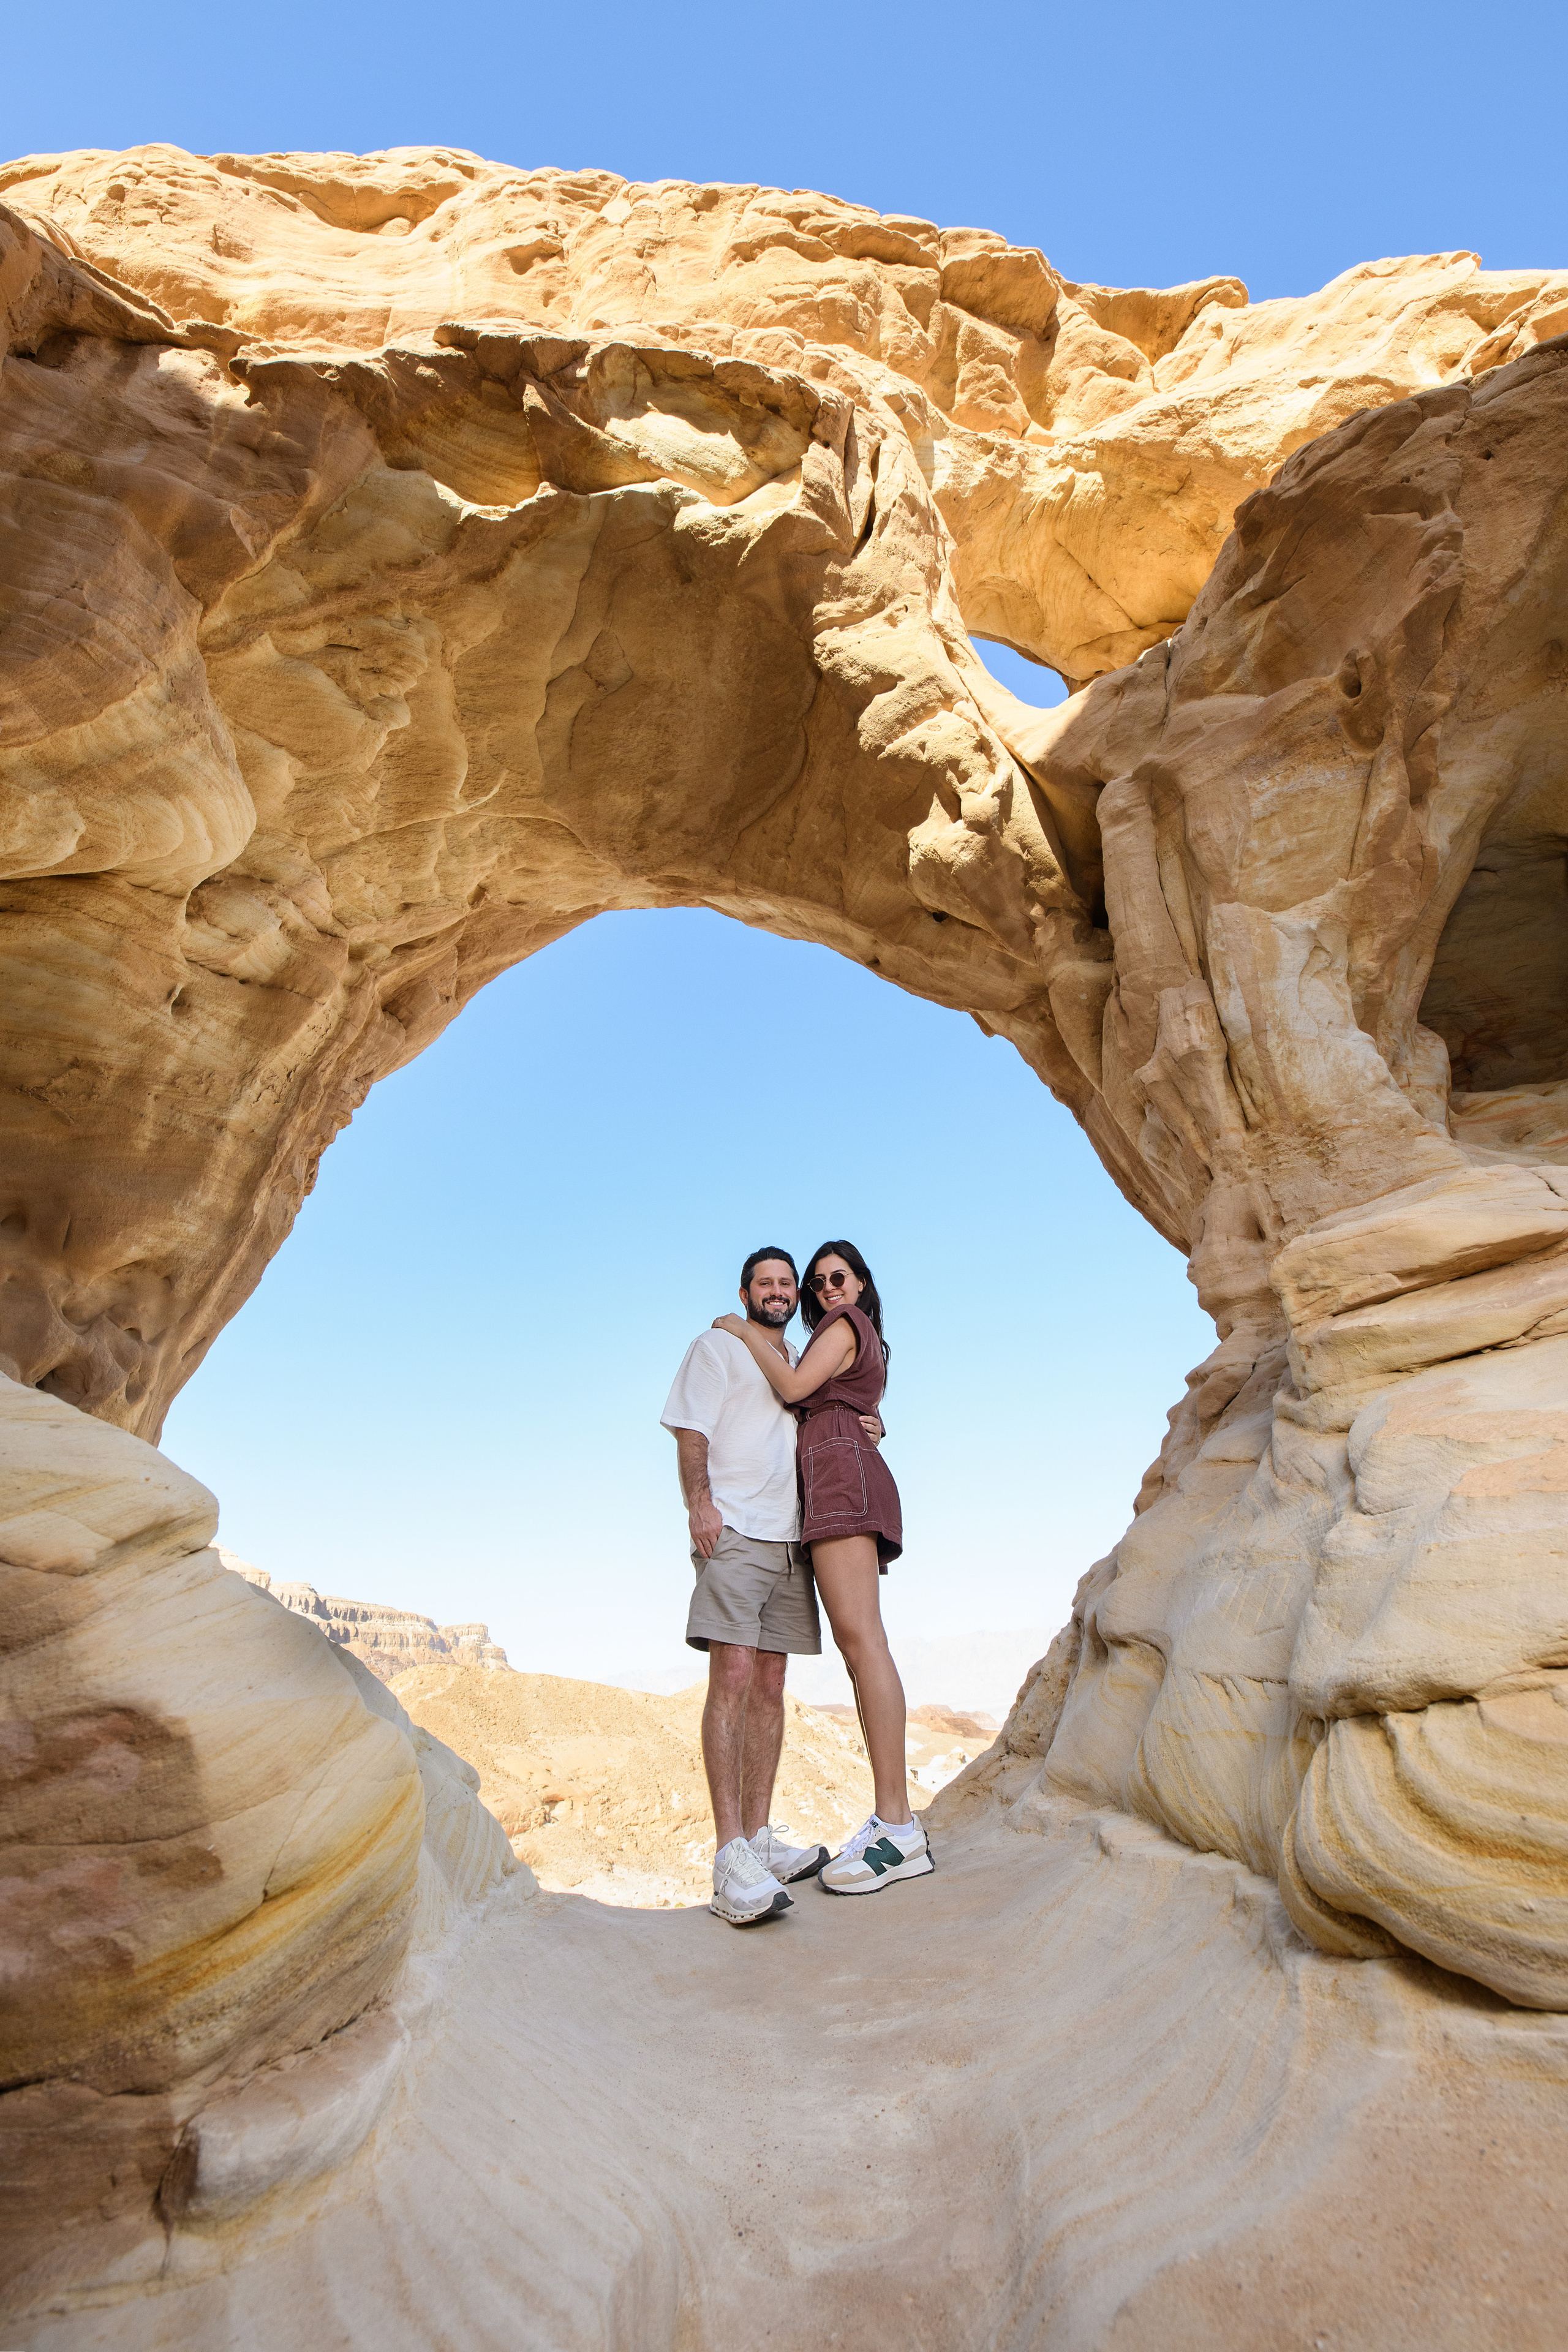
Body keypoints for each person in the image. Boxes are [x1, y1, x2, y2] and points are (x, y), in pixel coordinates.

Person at [662, 1246, 881, 1928]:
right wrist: (700, 1504)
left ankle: (758, 1840)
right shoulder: (717, 1346)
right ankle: (730, 1858)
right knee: (730, 1677)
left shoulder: (799, 1363)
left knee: (770, 1685)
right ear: (746, 1291)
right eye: (769, 1283)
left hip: (792, 1538)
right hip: (736, 1531)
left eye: (791, 1284)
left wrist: (871, 1425)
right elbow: (691, 1432)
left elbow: (827, 1416)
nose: (782, 1291)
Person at [712, 1240, 933, 1898]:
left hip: (840, 1479)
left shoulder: (842, 1326)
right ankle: (891, 1821)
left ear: (861, 1285)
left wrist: (741, 1330)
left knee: (864, 1644)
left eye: (839, 1277)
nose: (828, 1288)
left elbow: (792, 1387)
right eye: (818, 1283)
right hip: (835, 1472)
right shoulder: (847, 1334)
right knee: (857, 1647)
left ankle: (898, 1827)